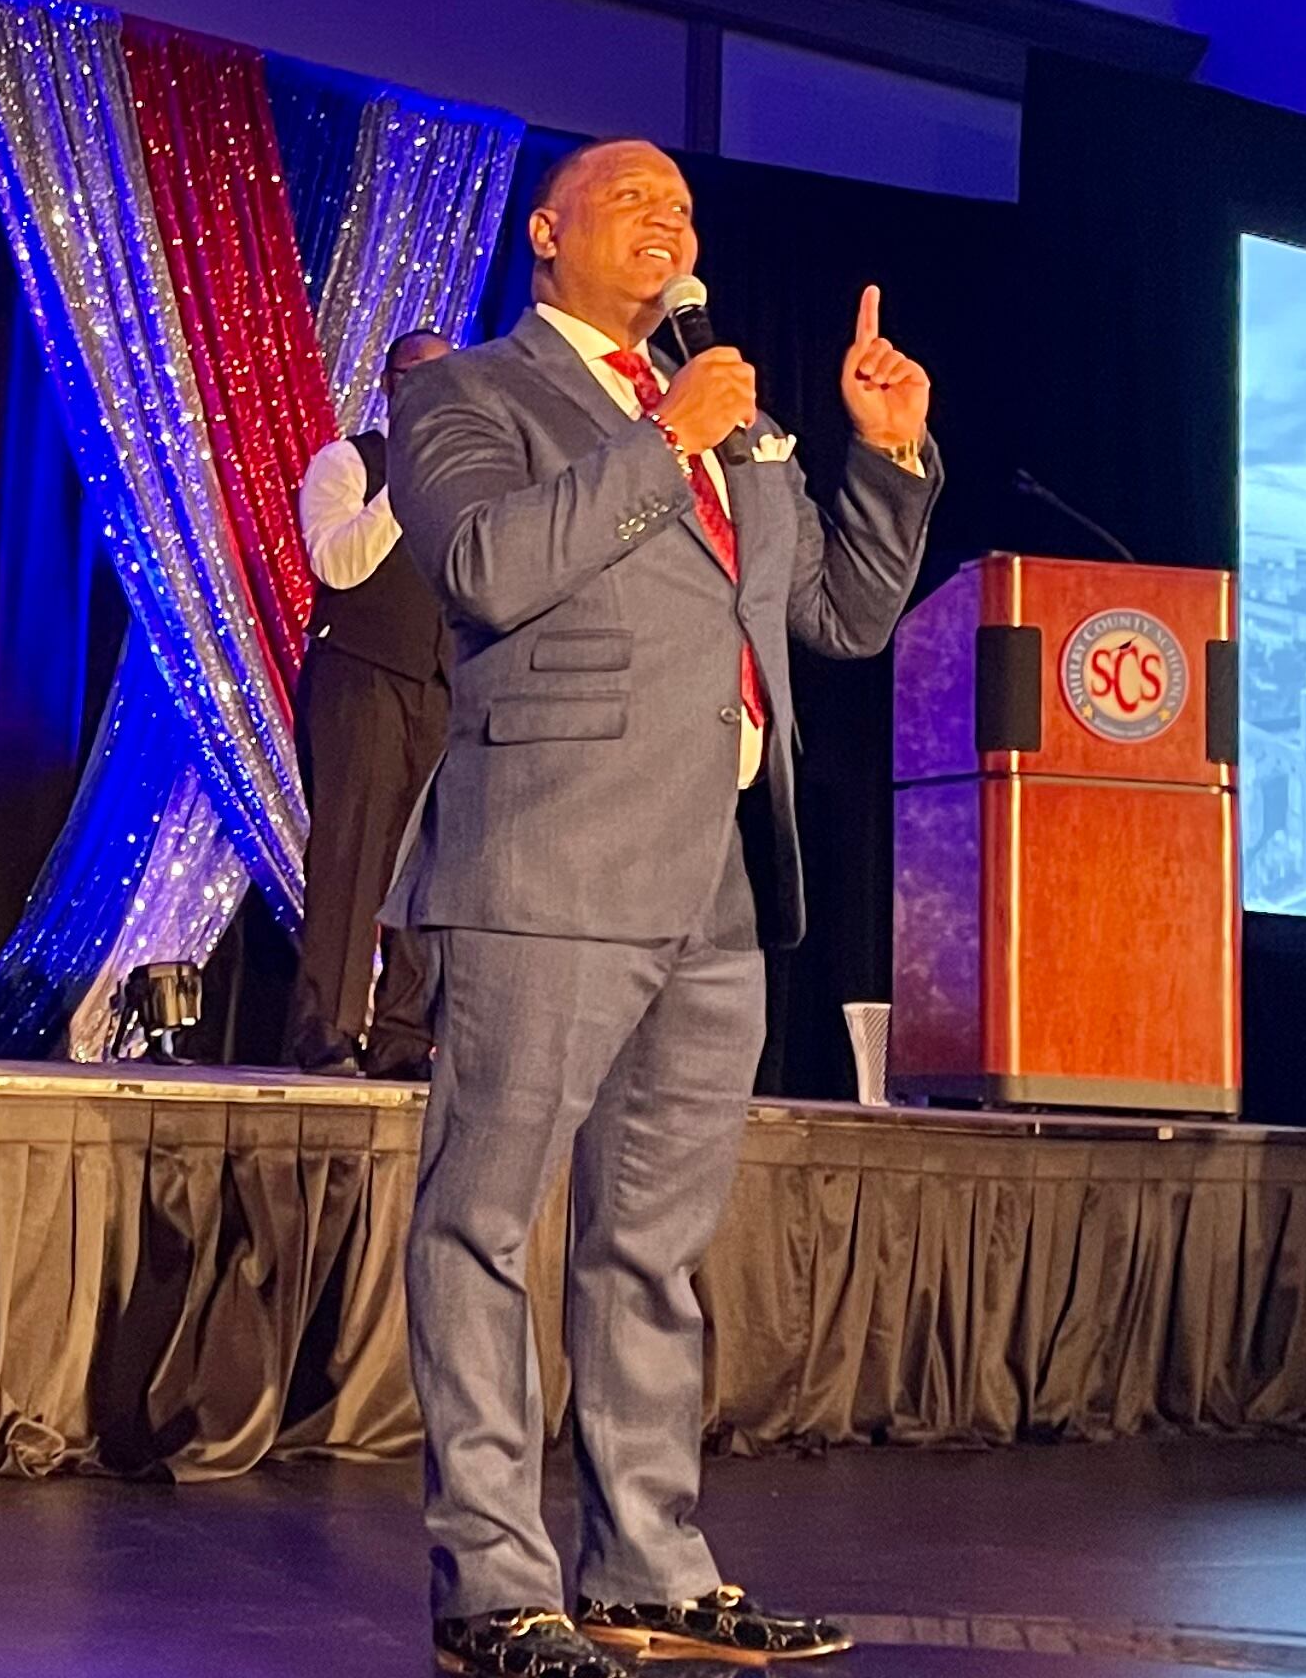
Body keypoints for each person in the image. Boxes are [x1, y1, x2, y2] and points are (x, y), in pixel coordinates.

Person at [387, 138, 937, 1676]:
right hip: (546, 860)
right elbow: (490, 567)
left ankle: (645, 1566)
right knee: (484, 1226)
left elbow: (834, 616)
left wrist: (880, 461)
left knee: (651, 1246)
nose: (670, 220)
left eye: (683, 208)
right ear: (548, 235)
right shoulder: (470, 396)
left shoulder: (741, 422)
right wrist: (660, 441)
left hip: (719, 873)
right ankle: (494, 1588)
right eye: (634, 199)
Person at [289, 327, 456, 1079]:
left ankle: (400, 1036)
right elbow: (338, 562)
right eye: (421, 377)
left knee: (431, 865)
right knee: (352, 857)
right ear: (390, 386)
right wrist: (410, 478)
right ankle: (326, 1030)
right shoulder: (349, 462)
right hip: (360, 675)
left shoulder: (475, 479)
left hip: (445, 687)